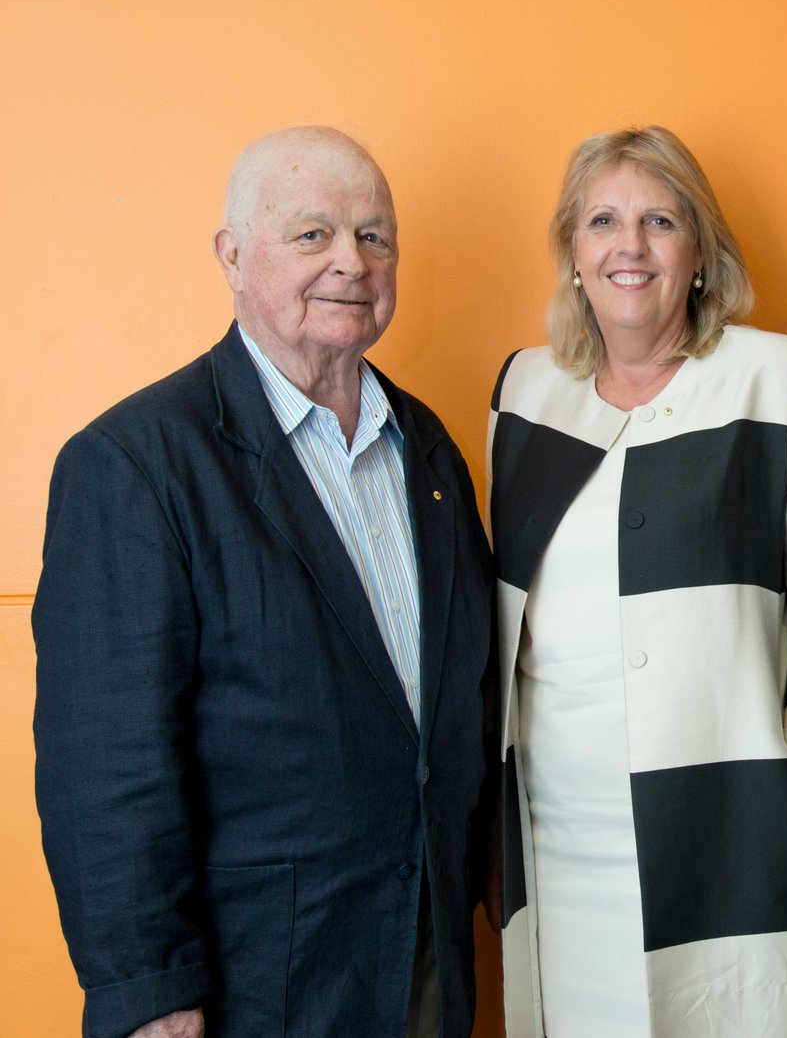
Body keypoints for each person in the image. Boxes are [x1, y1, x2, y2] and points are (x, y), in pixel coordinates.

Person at [33, 126, 494, 1038]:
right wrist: (149, 992)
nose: (351, 264)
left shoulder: (429, 446)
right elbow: (105, 764)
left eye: (375, 236)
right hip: (255, 985)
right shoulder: (135, 464)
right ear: (232, 256)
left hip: (426, 960)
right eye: (312, 234)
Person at [487, 125, 787, 1037]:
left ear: (699, 251)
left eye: (660, 220)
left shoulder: (780, 381)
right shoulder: (523, 391)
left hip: (729, 831)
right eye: (603, 221)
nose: (629, 246)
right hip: (556, 835)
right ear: (573, 253)